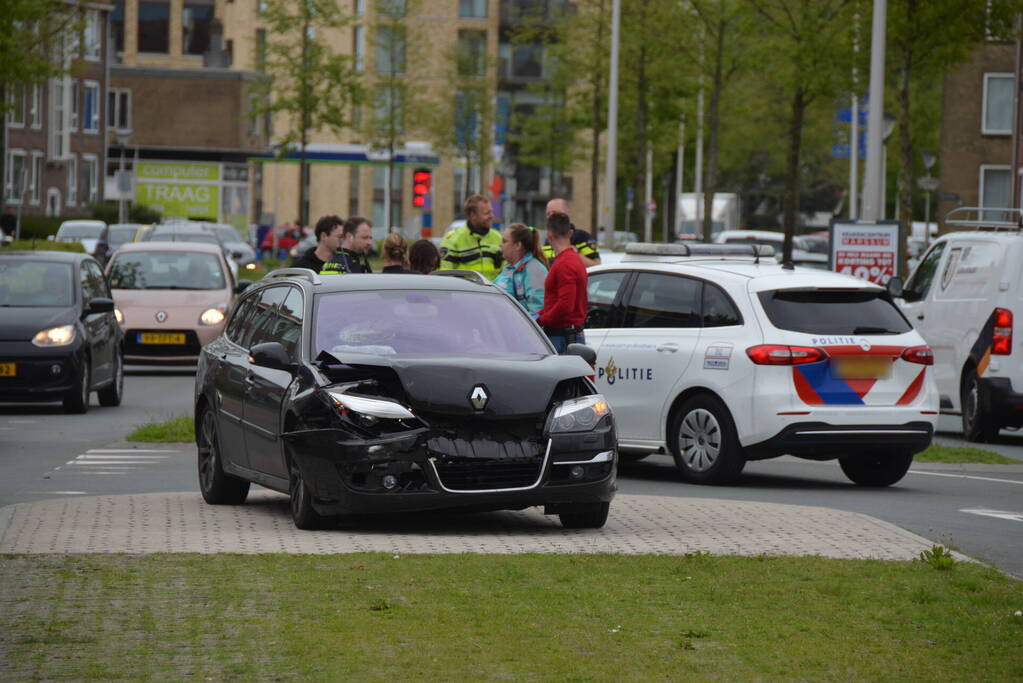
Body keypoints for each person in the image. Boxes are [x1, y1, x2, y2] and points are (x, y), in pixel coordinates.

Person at [537, 212, 588, 353]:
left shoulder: (564, 263)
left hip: (562, 338)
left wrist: (541, 320)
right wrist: (539, 314)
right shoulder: (575, 260)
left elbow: (565, 305)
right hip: (570, 335)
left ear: (550, 234)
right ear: (570, 233)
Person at [439, 194, 503, 280]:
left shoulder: (498, 237)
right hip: (465, 292)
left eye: (491, 212)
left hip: (492, 293)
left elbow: (506, 271)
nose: (492, 216)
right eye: (487, 213)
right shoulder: (452, 240)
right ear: (473, 215)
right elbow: (445, 275)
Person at [493, 223, 548, 316]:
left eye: (504, 241)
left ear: (518, 245)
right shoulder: (508, 268)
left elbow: (538, 311)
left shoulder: (534, 269)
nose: (500, 245)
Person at [541, 198, 601, 267]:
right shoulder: (547, 240)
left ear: (568, 213)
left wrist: (574, 254)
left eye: (555, 213)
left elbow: (597, 266)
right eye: (548, 214)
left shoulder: (582, 237)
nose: (551, 217)